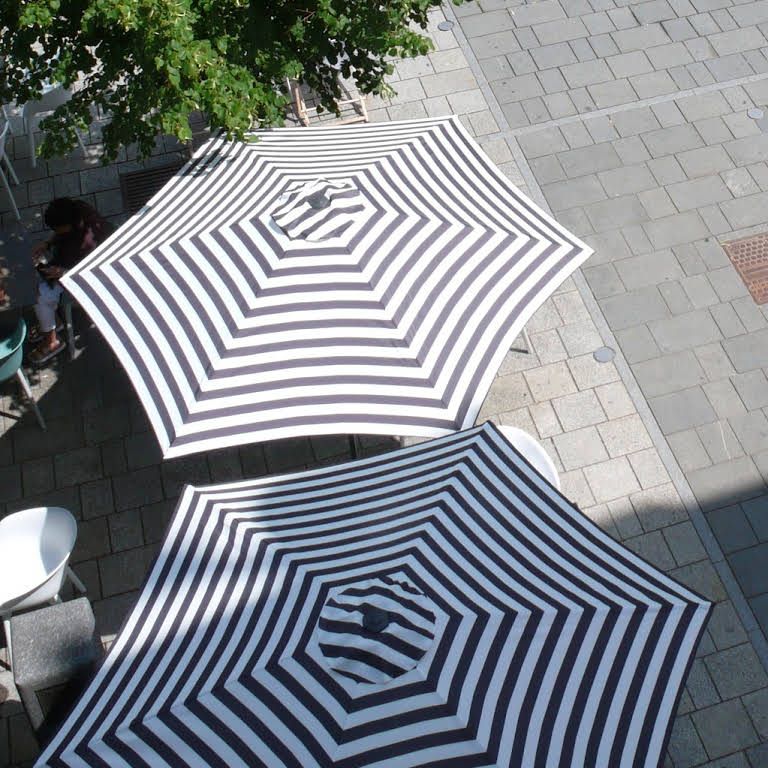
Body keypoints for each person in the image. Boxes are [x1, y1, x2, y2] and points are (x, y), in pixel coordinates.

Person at [29, 197, 113, 363]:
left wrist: (64, 272)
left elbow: (94, 272)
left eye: (59, 229)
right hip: (70, 265)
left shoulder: (87, 243)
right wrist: (47, 243)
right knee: (41, 289)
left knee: (39, 296)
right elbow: (60, 235)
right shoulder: (79, 209)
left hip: (86, 278)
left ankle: (52, 342)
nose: (57, 232)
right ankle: (53, 321)